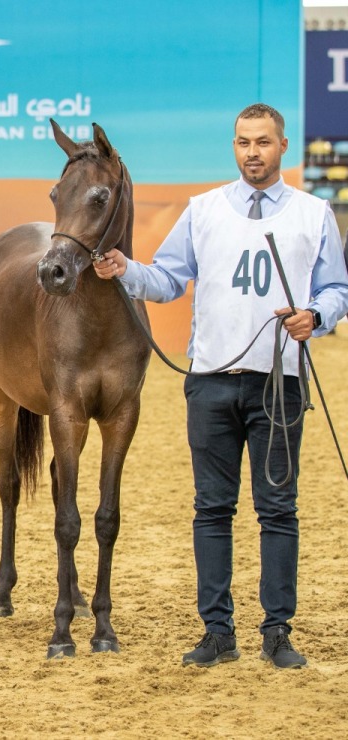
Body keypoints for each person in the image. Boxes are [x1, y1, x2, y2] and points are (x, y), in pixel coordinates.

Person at [95, 103, 348, 669]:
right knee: (212, 509)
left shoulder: (314, 214)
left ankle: (277, 632)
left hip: (280, 384)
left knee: (278, 509)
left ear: (282, 146)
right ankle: (217, 633)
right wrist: (124, 270)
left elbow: (337, 289)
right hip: (210, 382)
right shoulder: (203, 210)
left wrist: (316, 314)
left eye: (262, 142)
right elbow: (166, 279)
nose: (252, 152)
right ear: (233, 147)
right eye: (242, 142)